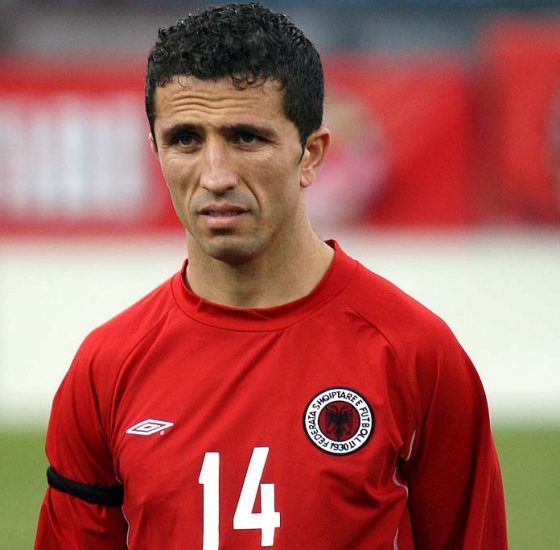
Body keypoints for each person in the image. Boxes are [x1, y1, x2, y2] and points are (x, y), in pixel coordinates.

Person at [35, 3, 507, 549]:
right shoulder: (105, 369)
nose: (215, 176)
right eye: (185, 139)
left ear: (311, 155)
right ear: (156, 151)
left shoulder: (415, 353)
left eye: (246, 138)